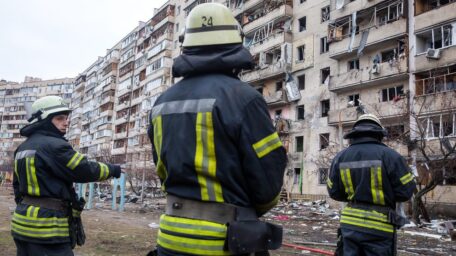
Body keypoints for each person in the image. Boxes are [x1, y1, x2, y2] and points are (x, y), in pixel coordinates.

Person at [147, 3, 287, 256]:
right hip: (225, 240)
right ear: (235, 42)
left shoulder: (162, 103)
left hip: (170, 238)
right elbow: (268, 180)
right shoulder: (245, 98)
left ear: (186, 45)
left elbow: (161, 168)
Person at [12, 95, 122, 256]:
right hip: (47, 230)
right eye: (59, 118)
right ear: (45, 120)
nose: (66, 122)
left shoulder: (22, 148)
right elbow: (83, 169)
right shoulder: (55, 146)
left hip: (21, 225)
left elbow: (17, 186)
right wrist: (112, 169)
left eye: (66, 117)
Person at [327, 114, 416, 256]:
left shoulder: (340, 157)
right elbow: (405, 192)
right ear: (379, 135)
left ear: (354, 135)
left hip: (349, 226)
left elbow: (334, 192)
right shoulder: (391, 156)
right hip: (380, 229)